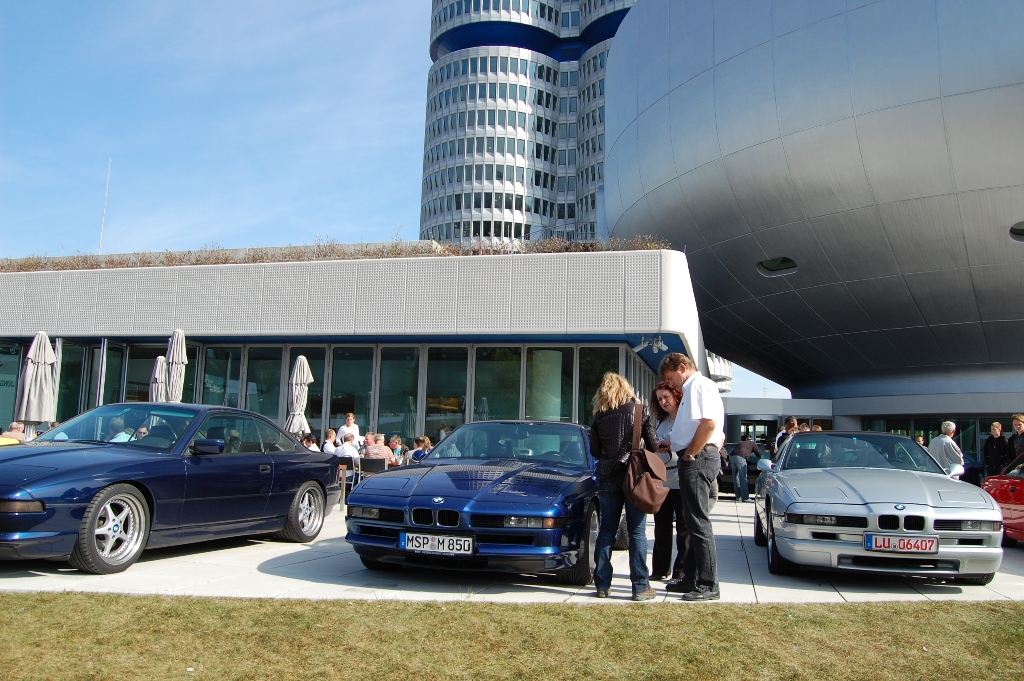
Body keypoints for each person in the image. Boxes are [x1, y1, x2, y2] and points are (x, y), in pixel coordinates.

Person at [659, 352, 724, 602]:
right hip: (695, 455)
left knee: (698, 523)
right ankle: (692, 578)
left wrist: (690, 454)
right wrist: (676, 443)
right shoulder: (692, 388)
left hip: (697, 458)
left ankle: (708, 584)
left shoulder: (699, 385)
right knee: (693, 522)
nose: (670, 384)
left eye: (670, 378)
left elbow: (709, 424)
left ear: (682, 368)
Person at [590, 372, 659, 601]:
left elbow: (595, 451)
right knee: (637, 532)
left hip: (608, 475)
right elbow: (653, 445)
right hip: (634, 476)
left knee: (606, 531)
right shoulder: (639, 411)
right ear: (626, 389)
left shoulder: (599, 416)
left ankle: (602, 584)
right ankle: (640, 586)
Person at [649, 381, 684, 583]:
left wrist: (670, 444)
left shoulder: (685, 418)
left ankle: (681, 572)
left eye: (666, 397)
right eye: (660, 399)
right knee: (661, 527)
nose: (663, 402)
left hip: (681, 479)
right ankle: (660, 569)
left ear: (676, 396)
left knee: (684, 529)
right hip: (662, 480)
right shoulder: (662, 420)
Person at [729, 435, 763, 502]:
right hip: (741, 457)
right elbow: (759, 454)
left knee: (736, 478)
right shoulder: (753, 444)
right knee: (743, 478)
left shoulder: (741, 443)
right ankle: (745, 498)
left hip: (732, 457)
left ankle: (738, 497)